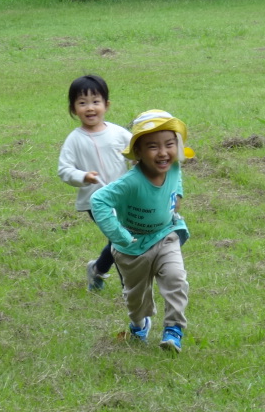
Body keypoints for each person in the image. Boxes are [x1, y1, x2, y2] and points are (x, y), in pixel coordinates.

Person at [90, 109, 191, 353]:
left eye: (169, 144)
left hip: (166, 235)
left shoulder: (174, 166)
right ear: (138, 152)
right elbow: (99, 201)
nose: (163, 152)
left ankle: (173, 329)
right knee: (136, 300)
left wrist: (177, 195)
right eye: (153, 147)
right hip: (132, 247)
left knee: (176, 278)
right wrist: (119, 235)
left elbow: (176, 178)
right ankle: (139, 324)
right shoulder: (131, 182)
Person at [57, 75, 132, 291]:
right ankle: (129, 287)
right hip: (96, 202)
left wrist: (141, 161)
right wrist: (83, 176)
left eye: (95, 102)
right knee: (121, 240)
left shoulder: (118, 133)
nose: (90, 108)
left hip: (124, 198)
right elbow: (64, 170)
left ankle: (98, 269)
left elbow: (137, 152)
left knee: (122, 239)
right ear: (73, 109)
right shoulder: (75, 139)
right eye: (82, 103)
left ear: (106, 105)